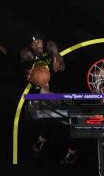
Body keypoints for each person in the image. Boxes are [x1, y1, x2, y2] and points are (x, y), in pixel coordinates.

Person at [20, 32, 71, 161]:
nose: (36, 44)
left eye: (38, 41)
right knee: (46, 121)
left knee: (68, 126)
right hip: (45, 87)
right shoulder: (28, 56)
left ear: (42, 41)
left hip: (59, 84)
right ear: (30, 47)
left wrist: (56, 58)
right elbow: (29, 74)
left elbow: (62, 66)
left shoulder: (50, 48)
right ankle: (42, 140)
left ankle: (72, 152)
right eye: (33, 43)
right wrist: (33, 76)